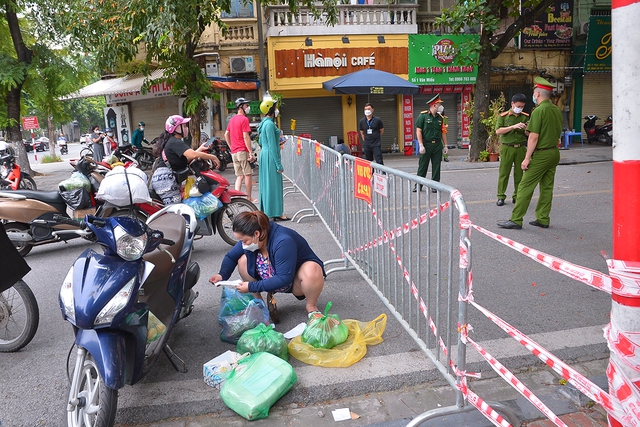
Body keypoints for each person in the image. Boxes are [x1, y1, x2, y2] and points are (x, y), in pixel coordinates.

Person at [208, 210, 325, 318]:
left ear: (257, 234)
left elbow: (284, 278)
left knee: (312, 269)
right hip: (270, 274)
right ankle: (258, 304)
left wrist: (250, 286)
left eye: (244, 240)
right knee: (242, 260)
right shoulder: (253, 235)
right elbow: (230, 257)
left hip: (294, 281)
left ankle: (311, 307)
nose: (242, 244)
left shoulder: (283, 241)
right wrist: (222, 275)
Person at [498, 77, 563, 230]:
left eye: (534, 93)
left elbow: (534, 136)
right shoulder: (555, 109)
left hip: (541, 154)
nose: (534, 96)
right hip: (554, 152)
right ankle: (543, 218)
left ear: (538, 94)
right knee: (547, 187)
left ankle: (516, 219)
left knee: (525, 186)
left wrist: (527, 158)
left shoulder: (539, 110)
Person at [162, 115, 220, 184]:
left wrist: (200, 149)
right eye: (184, 126)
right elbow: (193, 155)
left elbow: (187, 158)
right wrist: (213, 157)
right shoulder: (175, 142)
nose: (187, 128)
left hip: (167, 179)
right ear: (176, 128)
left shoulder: (173, 141)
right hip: (165, 182)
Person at [495, 93, 530, 206]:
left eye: (522, 107)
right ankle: (501, 196)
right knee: (504, 173)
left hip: (520, 148)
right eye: (518, 106)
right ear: (512, 104)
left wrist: (526, 129)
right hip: (507, 148)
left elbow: (528, 133)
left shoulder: (525, 116)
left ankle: (517, 196)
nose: (520, 108)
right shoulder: (503, 116)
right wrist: (513, 127)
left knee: (519, 173)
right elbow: (498, 131)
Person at [257, 97, 288, 221]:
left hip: (265, 154)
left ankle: (268, 210)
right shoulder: (269, 124)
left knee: (266, 184)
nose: (277, 109)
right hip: (270, 155)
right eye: (275, 107)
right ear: (270, 109)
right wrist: (279, 164)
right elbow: (271, 145)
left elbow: (261, 141)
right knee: (274, 184)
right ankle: (276, 212)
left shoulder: (264, 123)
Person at [414, 94, 448, 193]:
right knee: (423, 165)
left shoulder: (440, 118)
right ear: (434, 105)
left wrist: (445, 145)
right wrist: (420, 144)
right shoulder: (423, 116)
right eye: (439, 104)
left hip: (437, 144)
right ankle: (418, 185)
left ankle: (435, 185)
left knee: (436, 165)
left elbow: (443, 132)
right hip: (426, 144)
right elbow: (418, 131)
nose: (441, 106)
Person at [225, 98, 257, 203]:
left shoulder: (232, 119)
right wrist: (251, 152)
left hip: (234, 152)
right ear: (241, 107)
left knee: (239, 176)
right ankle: (248, 198)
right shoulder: (244, 119)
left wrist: (231, 147)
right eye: (246, 106)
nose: (248, 108)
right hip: (243, 151)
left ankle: (236, 198)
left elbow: (226, 134)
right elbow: (246, 137)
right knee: (248, 174)